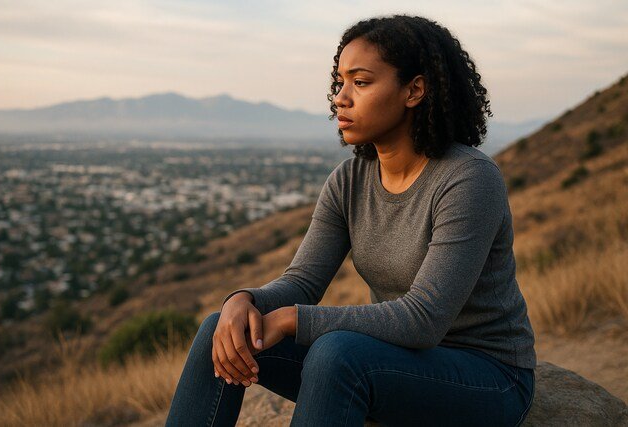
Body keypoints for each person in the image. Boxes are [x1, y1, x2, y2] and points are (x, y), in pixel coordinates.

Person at [166, 14, 536, 427]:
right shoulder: (349, 179)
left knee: (336, 353)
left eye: (360, 83)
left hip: (488, 377)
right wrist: (244, 300)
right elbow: (303, 282)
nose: (341, 98)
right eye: (339, 83)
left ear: (414, 90)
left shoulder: (468, 179)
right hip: (394, 361)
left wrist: (292, 319)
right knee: (224, 328)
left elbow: (424, 319)